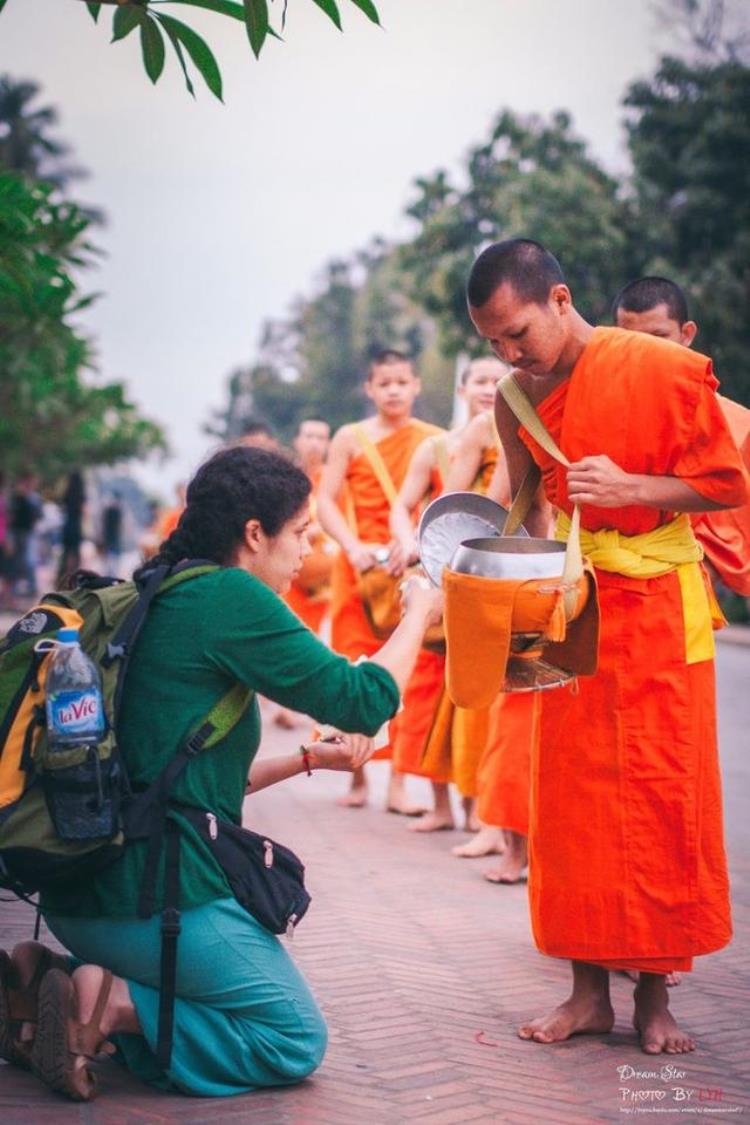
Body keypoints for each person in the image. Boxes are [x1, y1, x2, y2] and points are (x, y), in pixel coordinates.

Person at [0, 446, 442, 1101]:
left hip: (78, 891)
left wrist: (307, 758)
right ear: (254, 534)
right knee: (292, 1036)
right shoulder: (229, 595)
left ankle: (51, 978)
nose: (308, 550)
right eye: (300, 532)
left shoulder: (156, 593)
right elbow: (362, 698)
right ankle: (106, 1002)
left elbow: (182, 785)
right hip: (149, 899)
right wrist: (420, 610)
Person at [467, 238, 747, 1054]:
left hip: (661, 608)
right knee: (573, 808)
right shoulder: (516, 399)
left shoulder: (656, 368)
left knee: (661, 802)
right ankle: (586, 993)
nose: (509, 353)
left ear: (559, 299)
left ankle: (656, 998)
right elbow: (526, 506)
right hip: (575, 615)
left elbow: (726, 484)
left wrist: (633, 489)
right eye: (492, 342)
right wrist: (494, 572)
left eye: (517, 332)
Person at [317, 350, 442, 813]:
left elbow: (439, 502)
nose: (393, 390)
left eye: (401, 382)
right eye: (383, 383)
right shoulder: (350, 438)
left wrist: (415, 546)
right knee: (352, 670)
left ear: (416, 386)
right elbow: (326, 501)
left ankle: (398, 783)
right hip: (359, 567)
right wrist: (351, 546)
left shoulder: (435, 440)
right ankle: (355, 775)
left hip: (410, 567)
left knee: (410, 672)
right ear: (369, 389)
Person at [389, 357, 505, 833]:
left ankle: (481, 810)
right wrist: (417, 548)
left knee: (484, 698)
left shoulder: (530, 422)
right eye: (481, 381)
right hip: (455, 567)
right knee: (439, 695)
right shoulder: (460, 439)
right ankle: (442, 803)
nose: (490, 389)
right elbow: (447, 510)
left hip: (504, 570)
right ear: (463, 389)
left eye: (500, 382)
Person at [612, 276, 750, 603]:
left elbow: (735, 535)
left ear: (686, 334)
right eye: (632, 340)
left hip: (684, 590)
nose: (645, 353)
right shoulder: (599, 405)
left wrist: (697, 581)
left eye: (658, 337)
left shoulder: (735, 424)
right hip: (604, 579)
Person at [57, 470, 86, 587]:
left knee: (65, 553)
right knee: (75, 553)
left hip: (67, 525)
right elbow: (84, 511)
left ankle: (62, 578)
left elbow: (62, 509)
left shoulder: (67, 492)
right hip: (76, 526)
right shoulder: (81, 494)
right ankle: (74, 580)